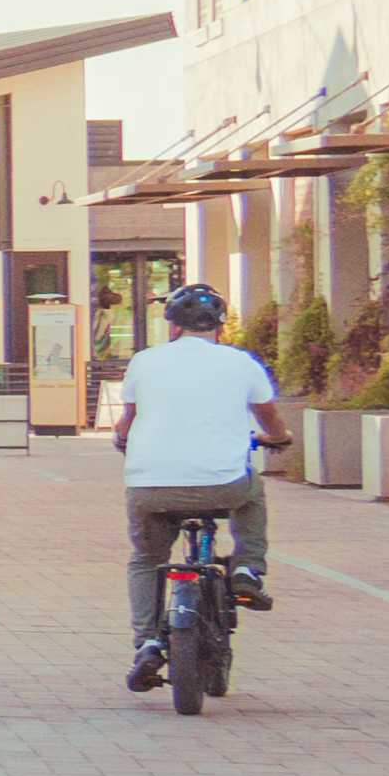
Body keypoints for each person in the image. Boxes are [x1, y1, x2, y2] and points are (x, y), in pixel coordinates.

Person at [109, 282, 288, 691]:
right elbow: (270, 421)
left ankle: (148, 642)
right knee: (251, 490)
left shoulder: (144, 361)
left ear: (171, 327)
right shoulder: (241, 363)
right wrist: (280, 438)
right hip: (221, 487)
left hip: (151, 488)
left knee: (146, 559)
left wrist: (124, 441)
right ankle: (247, 569)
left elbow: (126, 422)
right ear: (220, 328)